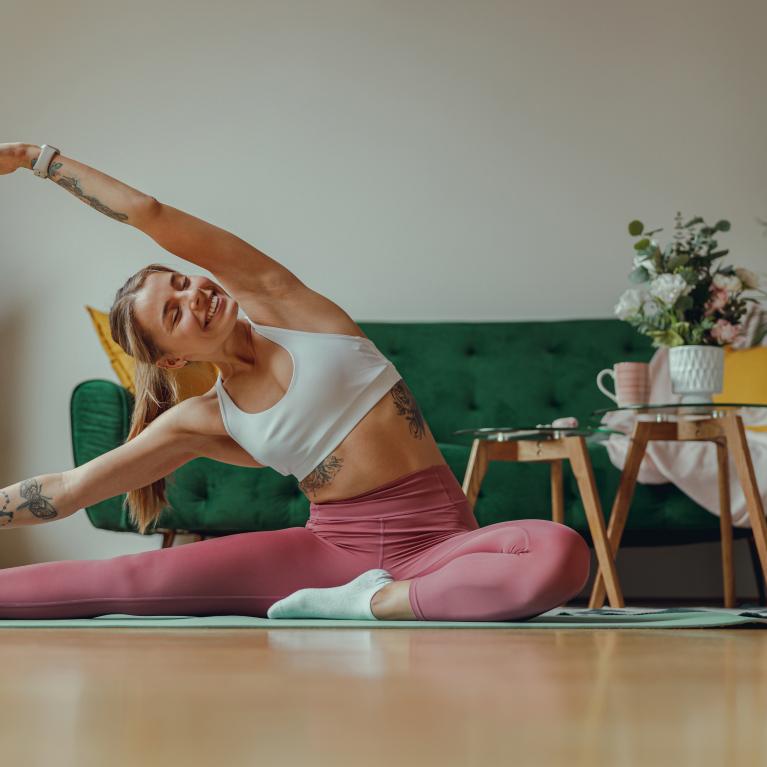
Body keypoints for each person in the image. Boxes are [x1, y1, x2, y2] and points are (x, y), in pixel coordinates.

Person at [0, 142, 590, 622]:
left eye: (181, 283)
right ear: (173, 360)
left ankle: (370, 604)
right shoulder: (205, 419)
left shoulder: (288, 307)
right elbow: (70, 490)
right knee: (128, 581)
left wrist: (37, 158)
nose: (193, 296)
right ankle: (373, 600)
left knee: (557, 553)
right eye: (173, 315)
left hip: (439, 542)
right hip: (328, 550)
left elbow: (151, 213)